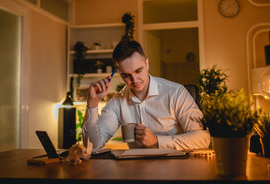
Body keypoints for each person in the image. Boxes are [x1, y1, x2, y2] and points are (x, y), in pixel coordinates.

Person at [82, 40, 210, 150]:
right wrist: (92, 103)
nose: (134, 79)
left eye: (138, 71)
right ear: (119, 73)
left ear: (147, 64)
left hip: (175, 170)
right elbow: (93, 146)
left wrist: (157, 141)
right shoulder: (117, 102)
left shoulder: (176, 93)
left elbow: (203, 138)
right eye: (126, 75)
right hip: (135, 174)